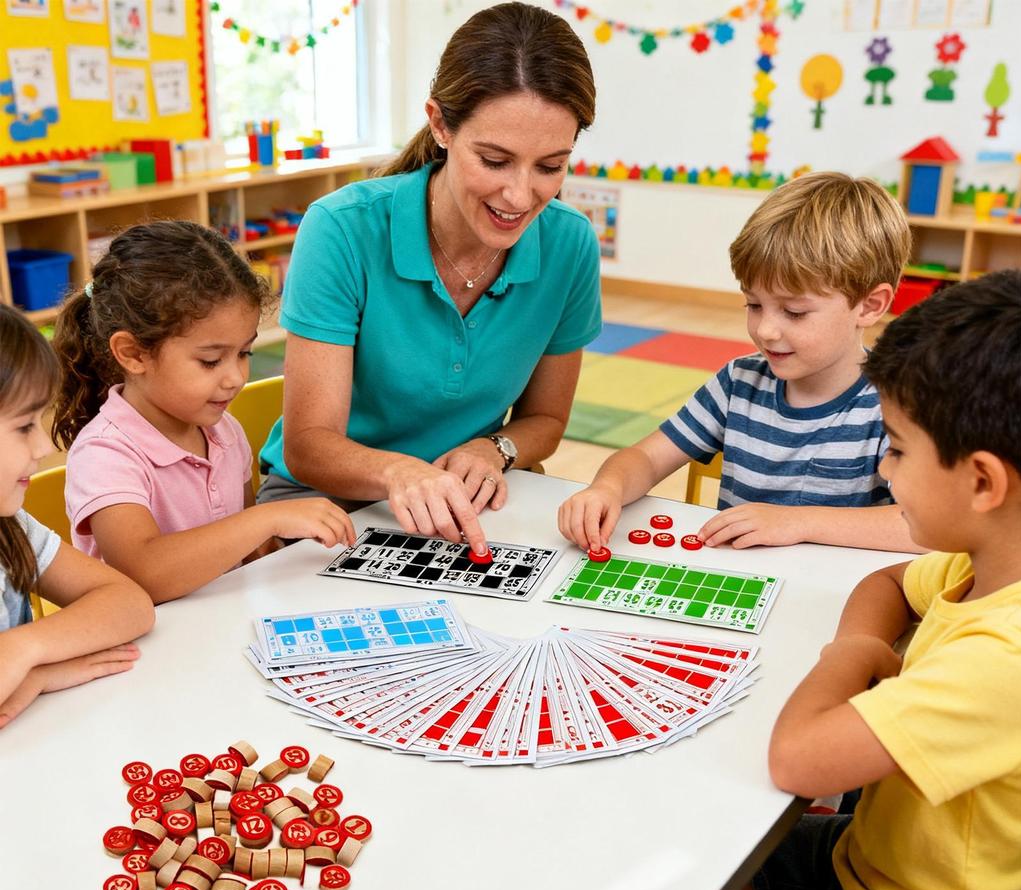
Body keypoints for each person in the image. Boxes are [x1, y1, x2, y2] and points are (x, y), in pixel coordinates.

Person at [639, 270, 1021, 890]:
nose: (883, 470)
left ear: (982, 482)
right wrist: (865, 640)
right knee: (694, 857)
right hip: (875, 860)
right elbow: (890, 581)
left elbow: (799, 760)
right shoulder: (986, 562)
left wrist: (847, 660)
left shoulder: (1005, 655)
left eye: (899, 451)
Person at [257, 2, 602, 556]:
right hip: (327, 501)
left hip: (471, 499)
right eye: (494, 160)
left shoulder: (570, 243)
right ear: (440, 124)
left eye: (549, 166)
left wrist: (496, 449)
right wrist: (401, 473)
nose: (520, 196)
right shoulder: (342, 229)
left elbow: (546, 419)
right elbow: (308, 446)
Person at [559, 172, 919, 554]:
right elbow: (646, 457)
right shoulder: (738, 383)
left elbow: (925, 528)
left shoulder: (898, 405)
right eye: (754, 304)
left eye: (794, 312)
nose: (765, 330)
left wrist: (798, 521)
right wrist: (607, 488)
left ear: (869, 306)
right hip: (735, 578)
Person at [51, 221, 354, 604]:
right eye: (211, 361)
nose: (236, 378)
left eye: (244, 353)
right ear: (133, 353)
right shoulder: (106, 454)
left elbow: (247, 551)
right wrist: (265, 519)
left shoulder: (224, 431)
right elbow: (145, 574)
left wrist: (272, 548)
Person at [0, 305, 154, 728]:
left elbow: (131, 604)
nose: (43, 447)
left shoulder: (10, 528)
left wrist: (26, 653)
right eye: (24, 426)